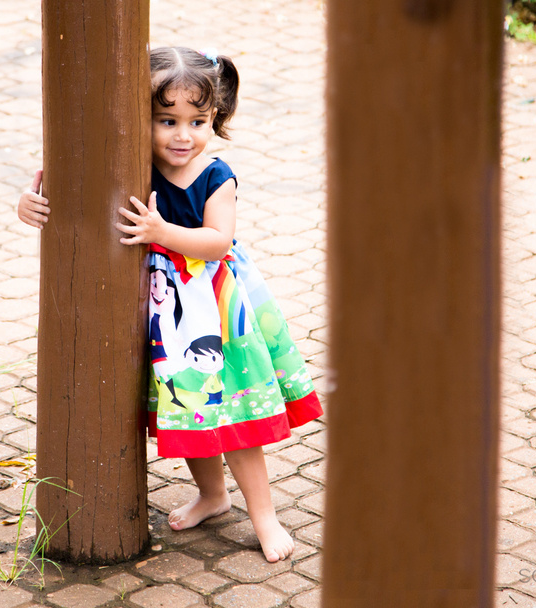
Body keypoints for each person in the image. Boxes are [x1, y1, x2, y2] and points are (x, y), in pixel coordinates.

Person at [16, 46, 323, 563]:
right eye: (167, 120)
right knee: (189, 408)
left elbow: (218, 242)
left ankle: (264, 516)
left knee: (236, 416)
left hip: (215, 314)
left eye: (197, 120)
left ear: (214, 119)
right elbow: (58, 183)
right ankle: (213, 495)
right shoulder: (131, 162)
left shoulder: (213, 175)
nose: (183, 135)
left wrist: (163, 232)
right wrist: (29, 201)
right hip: (163, 313)